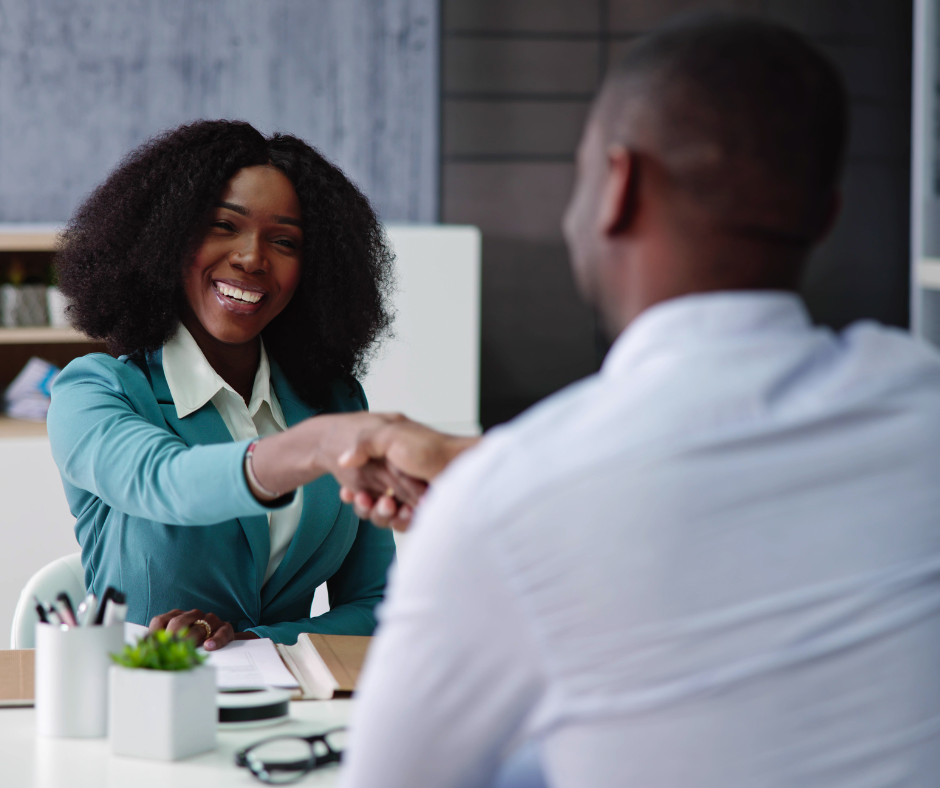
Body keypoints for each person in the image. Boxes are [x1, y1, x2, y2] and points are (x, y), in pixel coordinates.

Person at [336, 15, 940, 788]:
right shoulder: (917, 397)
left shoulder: (504, 511)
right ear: (825, 216)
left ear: (619, 186)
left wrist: (483, 485)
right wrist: (466, 461)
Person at [47, 120, 423, 648]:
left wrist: (256, 641)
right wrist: (312, 448)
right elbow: (165, 481)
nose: (252, 257)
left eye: (285, 241)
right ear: (169, 238)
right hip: (143, 703)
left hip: (292, 717)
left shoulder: (334, 402)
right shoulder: (94, 392)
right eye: (225, 226)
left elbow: (375, 605)